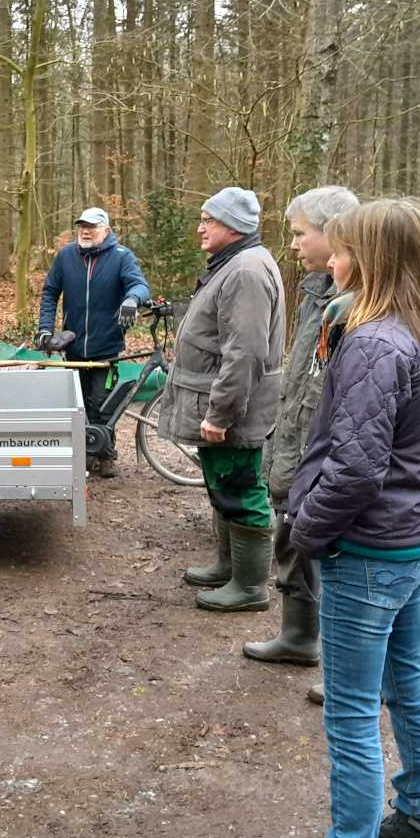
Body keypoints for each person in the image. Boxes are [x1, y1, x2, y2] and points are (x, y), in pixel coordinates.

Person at [290, 200, 420, 838]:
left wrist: (306, 532)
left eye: (339, 251)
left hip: (369, 554)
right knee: (408, 683)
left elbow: (357, 467)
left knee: (353, 717)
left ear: (370, 260)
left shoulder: (373, 342)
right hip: (418, 543)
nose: (329, 260)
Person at [243, 186, 358, 676]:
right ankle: (298, 636)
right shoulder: (316, 295)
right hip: (297, 449)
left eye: (299, 234)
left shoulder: (360, 309)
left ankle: (349, 667)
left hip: (330, 462)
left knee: (337, 562)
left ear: (336, 235)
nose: (292, 245)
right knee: (293, 542)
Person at [155, 186, 285, 611]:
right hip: (218, 406)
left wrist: (222, 413)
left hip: (233, 413)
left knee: (241, 489)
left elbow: (245, 351)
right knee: (223, 485)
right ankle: (229, 568)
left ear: (231, 224)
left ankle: (249, 587)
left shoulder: (245, 270)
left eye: (207, 220)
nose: (200, 228)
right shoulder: (235, 263)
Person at [37, 207, 150, 478]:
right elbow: (50, 293)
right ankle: (85, 453)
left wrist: (131, 301)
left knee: (103, 403)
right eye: (82, 227)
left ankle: (106, 455)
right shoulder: (66, 256)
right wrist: (45, 329)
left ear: (106, 230)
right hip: (73, 346)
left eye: (92, 226)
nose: (85, 231)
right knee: (79, 405)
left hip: (106, 347)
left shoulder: (122, 257)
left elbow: (140, 286)